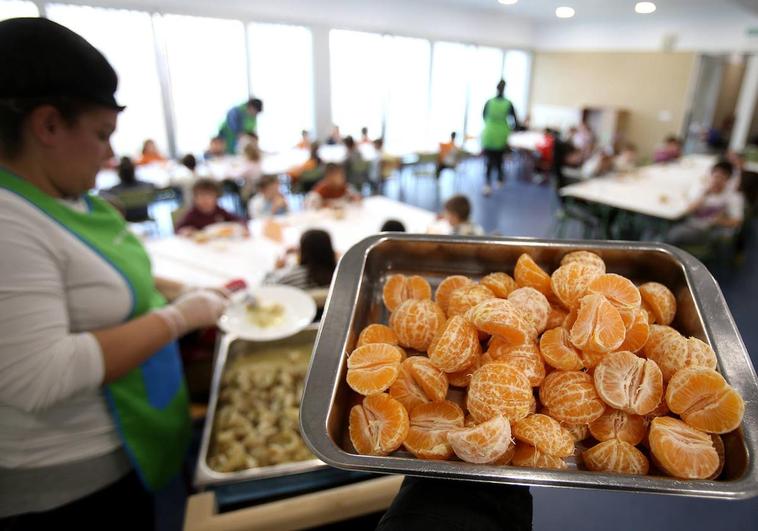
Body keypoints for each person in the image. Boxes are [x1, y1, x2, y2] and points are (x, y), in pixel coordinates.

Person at [0, 18, 227, 528]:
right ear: (48, 125)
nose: (109, 154)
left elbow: (96, 283)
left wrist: (180, 289)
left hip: (134, 437)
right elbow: (41, 374)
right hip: (70, 484)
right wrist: (179, 317)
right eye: (101, 134)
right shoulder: (6, 221)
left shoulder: (65, 197)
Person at [667, 160, 745, 246]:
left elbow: (737, 222)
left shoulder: (734, 197)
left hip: (706, 231)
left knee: (674, 235)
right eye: (715, 176)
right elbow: (688, 210)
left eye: (722, 178)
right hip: (689, 222)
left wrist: (721, 221)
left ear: (728, 180)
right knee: (664, 226)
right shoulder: (702, 188)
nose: (717, 180)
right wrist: (705, 194)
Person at [481, 79, 519, 196]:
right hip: (501, 135)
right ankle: (499, 180)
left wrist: (492, 124)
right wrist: (508, 129)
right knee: (499, 159)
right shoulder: (508, 104)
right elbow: (515, 122)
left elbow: (483, 116)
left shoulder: (489, 102)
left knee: (488, 160)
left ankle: (487, 184)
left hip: (488, 133)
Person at [264, 229, 337, 289]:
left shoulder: (291, 278)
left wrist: (276, 269)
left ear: (303, 251)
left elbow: (266, 289)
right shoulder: (339, 276)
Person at [175, 179, 244, 234]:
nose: (205, 200)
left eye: (209, 196)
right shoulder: (192, 214)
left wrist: (242, 226)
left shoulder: (219, 211)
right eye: (201, 196)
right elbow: (178, 229)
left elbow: (237, 219)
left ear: (216, 197)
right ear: (194, 199)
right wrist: (185, 231)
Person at [103, 157, 156, 221]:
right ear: (134, 170)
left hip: (125, 221)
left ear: (119, 173)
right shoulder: (147, 186)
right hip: (144, 217)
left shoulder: (113, 192)